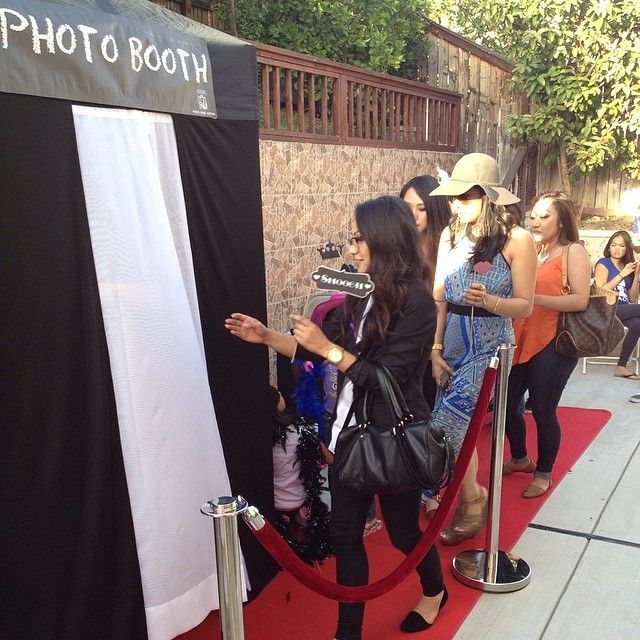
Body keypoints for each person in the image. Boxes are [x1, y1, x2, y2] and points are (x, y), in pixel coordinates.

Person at [225, 196, 447, 638]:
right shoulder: (359, 295)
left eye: (359, 238)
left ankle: (435, 590)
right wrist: (267, 336)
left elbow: (384, 375)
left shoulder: (419, 303)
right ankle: (348, 633)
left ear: (384, 239)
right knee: (346, 537)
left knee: (404, 533)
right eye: (352, 239)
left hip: (394, 435)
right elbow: (319, 355)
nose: (352, 248)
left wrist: (329, 349)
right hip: (349, 436)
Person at [427, 153, 537, 545]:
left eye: (467, 196)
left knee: (449, 425)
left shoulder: (517, 238)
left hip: (491, 345)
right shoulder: (450, 235)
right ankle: (471, 496)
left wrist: (489, 301)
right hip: (452, 338)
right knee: (455, 428)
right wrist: (435, 348)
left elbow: (525, 303)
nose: (458, 204)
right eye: (454, 197)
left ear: (489, 196)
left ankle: (469, 502)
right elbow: (439, 296)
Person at [503, 192, 591, 497]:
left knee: (542, 410)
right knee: (504, 405)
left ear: (562, 221)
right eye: (534, 216)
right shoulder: (530, 251)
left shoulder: (572, 251)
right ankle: (520, 458)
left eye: (545, 216)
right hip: (518, 340)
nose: (536, 221)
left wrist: (529, 298)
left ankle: (543, 471)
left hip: (553, 342)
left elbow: (580, 300)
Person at [268, 385, 331, 562]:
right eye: (278, 394)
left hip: (272, 505)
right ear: (276, 403)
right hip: (299, 503)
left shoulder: (258, 440)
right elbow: (328, 459)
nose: (282, 394)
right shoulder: (301, 433)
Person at [593, 230, 640, 380]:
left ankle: (621, 367)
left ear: (627, 248)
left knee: (637, 324)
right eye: (613, 245)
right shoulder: (603, 263)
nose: (617, 248)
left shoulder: (628, 267)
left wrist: (636, 275)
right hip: (606, 309)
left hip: (623, 309)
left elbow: (632, 299)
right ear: (609, 247)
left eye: (621, 245)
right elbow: (600, 289)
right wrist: (622, 274)